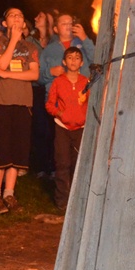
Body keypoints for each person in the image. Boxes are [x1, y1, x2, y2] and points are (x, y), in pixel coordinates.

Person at [0, 8, 39, 214]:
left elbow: (34, 74)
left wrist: (5, 74)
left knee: (17, 148)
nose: (17, 18)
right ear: (5, 23)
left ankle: (9, 193)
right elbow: (3, 61)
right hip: (1, 101)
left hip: (23, 102)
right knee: (1, 148)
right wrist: (14, 40)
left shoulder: (30, 47)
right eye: (12, 16)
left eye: (20, 16)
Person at [45, 46, 89, 212]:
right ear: (64, 61)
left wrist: (85, 117)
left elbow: (91, 103)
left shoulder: (86, 82)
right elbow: (49, 104)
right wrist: (59, 113)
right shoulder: (58, 81)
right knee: (63, 163)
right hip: (62, 127)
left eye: (77, 58)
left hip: (80, 128)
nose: (73, 61)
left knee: (77, 163)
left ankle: (78, 200)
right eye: (70, 57)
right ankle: (62, 201)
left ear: (82, 62)